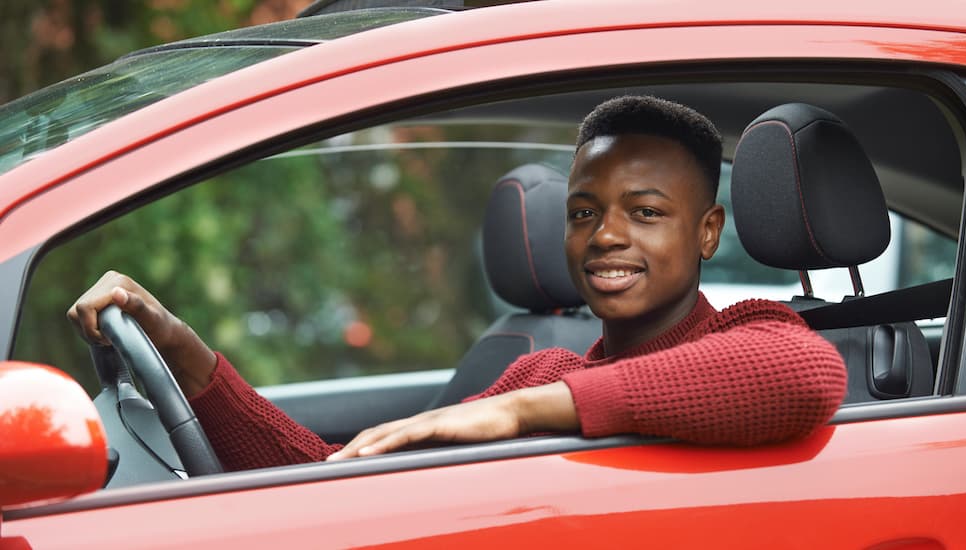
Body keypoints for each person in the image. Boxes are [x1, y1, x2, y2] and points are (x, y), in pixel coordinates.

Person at [68, 96, 847, 472]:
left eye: (645, 212)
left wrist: (519, 414)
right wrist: (180, 347)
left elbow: (807, 376)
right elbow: (332, 480)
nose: (606, 235)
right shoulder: (540, 368)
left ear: (707, 231)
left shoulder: (750, 337)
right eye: (584, 212)